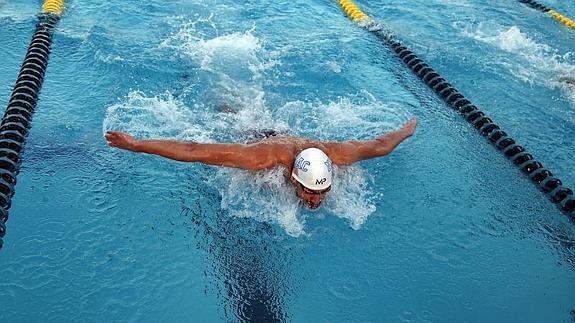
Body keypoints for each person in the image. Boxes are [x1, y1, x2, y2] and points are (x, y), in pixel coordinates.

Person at [105, 118, 417, 209]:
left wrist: (406, 130)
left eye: (321, 192)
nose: (316, 199)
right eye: (310, 192)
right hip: (261, 137)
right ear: (294, 179)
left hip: (291, 139)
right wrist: (136, 144)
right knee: (234, 114)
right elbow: (195, 149)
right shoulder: (260, 160)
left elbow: (379, 145)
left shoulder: (337, 155)